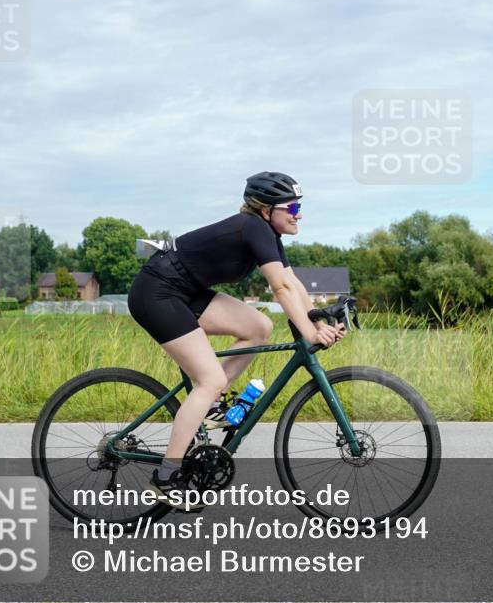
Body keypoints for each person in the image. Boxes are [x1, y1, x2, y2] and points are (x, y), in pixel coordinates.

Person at [126, 171, 345, 509]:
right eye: (292, 206)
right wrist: (309, 332)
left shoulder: (267, 234)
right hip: (157, 292)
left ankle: (210, 406)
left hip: (187, 291)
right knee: (209, 379)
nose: (298, 213)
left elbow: (292, 282)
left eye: (299, 206)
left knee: (258, 326)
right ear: (265, 209)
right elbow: (280, 289)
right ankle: (165, 478)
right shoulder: (254, 227)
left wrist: (316, 316)